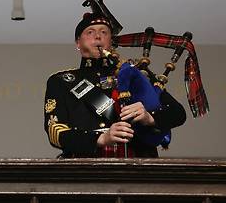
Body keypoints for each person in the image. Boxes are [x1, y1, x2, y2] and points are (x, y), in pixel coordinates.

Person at [44, 12, 186, 158]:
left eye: (104, 32)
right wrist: (102, 139)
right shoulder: (61, 81)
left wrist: (149, 117)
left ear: (110, 41)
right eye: (90, 32)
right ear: (78, 43)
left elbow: (178, 113)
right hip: (86, 167)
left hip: (139, 166)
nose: (98, 36)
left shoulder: (134, 74)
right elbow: (55, 131)